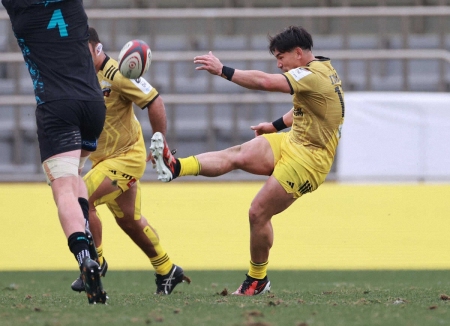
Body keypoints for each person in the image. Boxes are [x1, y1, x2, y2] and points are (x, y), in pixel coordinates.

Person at [150, 26, 345, 296]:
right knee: (238, 154)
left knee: (258, 213)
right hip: (293, 141)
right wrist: (275, 126)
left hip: (310, 160)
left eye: (281, 57)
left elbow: (265, 82)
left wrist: (223, 70)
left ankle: (257, 279)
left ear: (298, 53)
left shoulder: (312, 75)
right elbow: (305, 105)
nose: (278, 64)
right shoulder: (322, 69)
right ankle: (175, 166)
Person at [70, 27, 190, 295]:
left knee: (82, 198)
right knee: (130, 221)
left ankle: (95, 263)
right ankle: (167, 269)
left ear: (97, 49)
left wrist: (159, 140)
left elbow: (154, 100)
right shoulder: (81, 76)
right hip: (103, 162)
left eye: (83, 50)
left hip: (126, 158)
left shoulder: (118, 74)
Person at [2, 0, 107, 304]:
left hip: (57, 107)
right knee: (76, 178)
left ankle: (85, 258)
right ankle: (94, 253)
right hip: (93, 104)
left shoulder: (20, 10)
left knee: (63, 191)